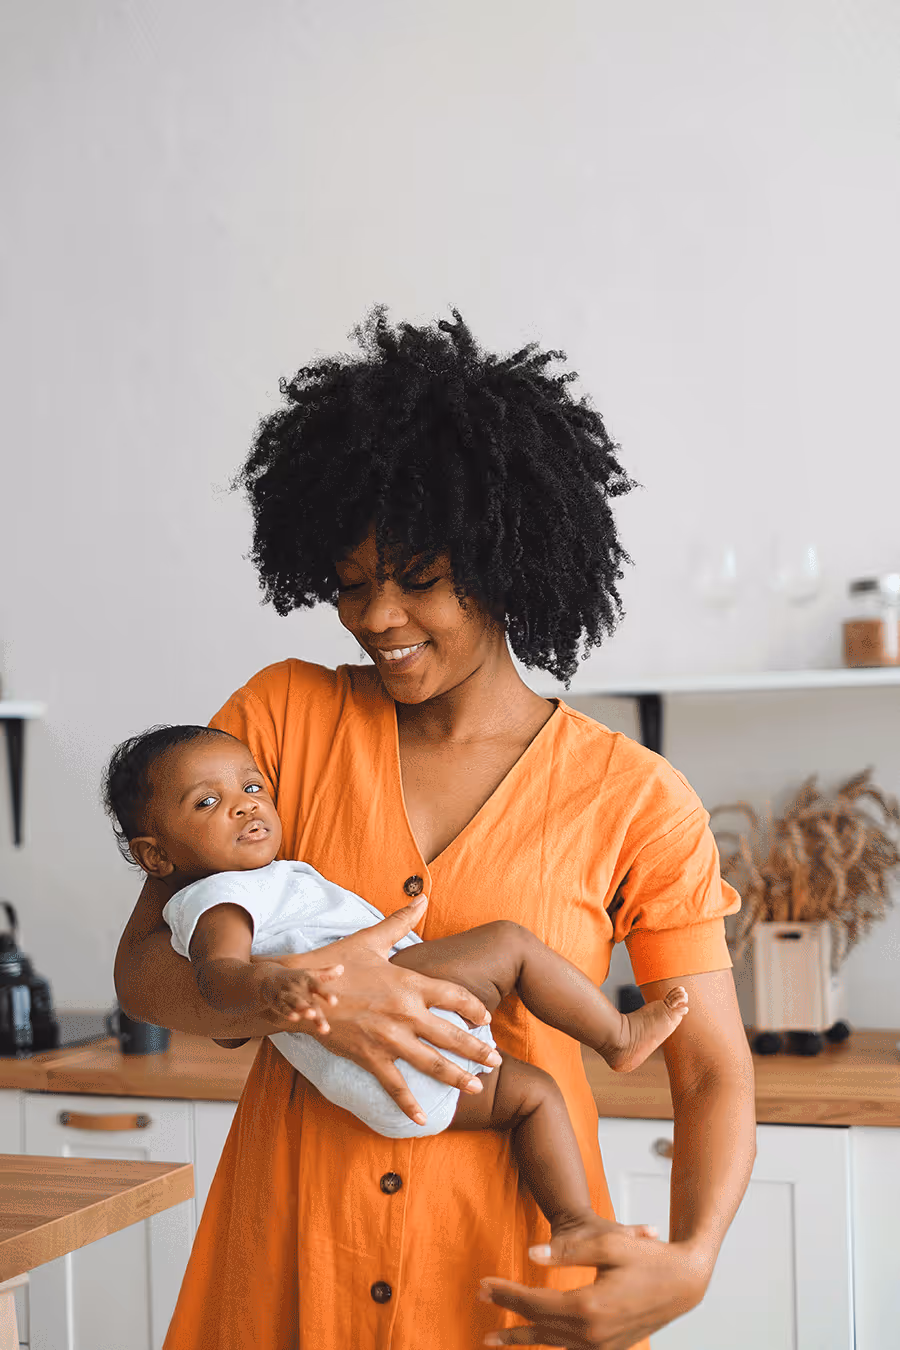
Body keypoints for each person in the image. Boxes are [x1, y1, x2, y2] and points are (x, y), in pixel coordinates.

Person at [114, 309, 756, 1350]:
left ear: (508, 561)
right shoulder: (276, 723)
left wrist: (692, 1258)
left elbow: (711, 1067)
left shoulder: (633, 795)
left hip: (511, 1276)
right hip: (289, 1259)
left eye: (417, 578)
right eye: (351, 582)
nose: (376, 617)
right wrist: (308, 995)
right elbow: (146, 968)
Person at [104, 723, 688, 1248]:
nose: (242, 807)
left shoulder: (263, 881)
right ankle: (616, 1035)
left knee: (534, 1095)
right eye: (208, 802)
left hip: (400, 1064)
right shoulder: (218, 898)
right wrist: (272, 990)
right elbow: (217, 979)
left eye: (253, 788)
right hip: (384, 1038)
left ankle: (574, 1221)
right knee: (509, 945)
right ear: (155, 856)